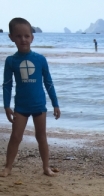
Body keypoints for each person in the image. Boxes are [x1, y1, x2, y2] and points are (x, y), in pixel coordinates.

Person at [1, 17, 60, 177]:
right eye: (18, 36)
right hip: (21, 107)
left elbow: (48, 83)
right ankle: (8, 167)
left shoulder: (40, 59)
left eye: (26, 36)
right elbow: (7, 85)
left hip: (39, 105)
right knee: (16, 136)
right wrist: (6, 105)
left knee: (41, 137)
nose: (23, 39)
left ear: (32, 37)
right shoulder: (11, 61)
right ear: (11, 37)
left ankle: (46, 167)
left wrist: (55, 103)